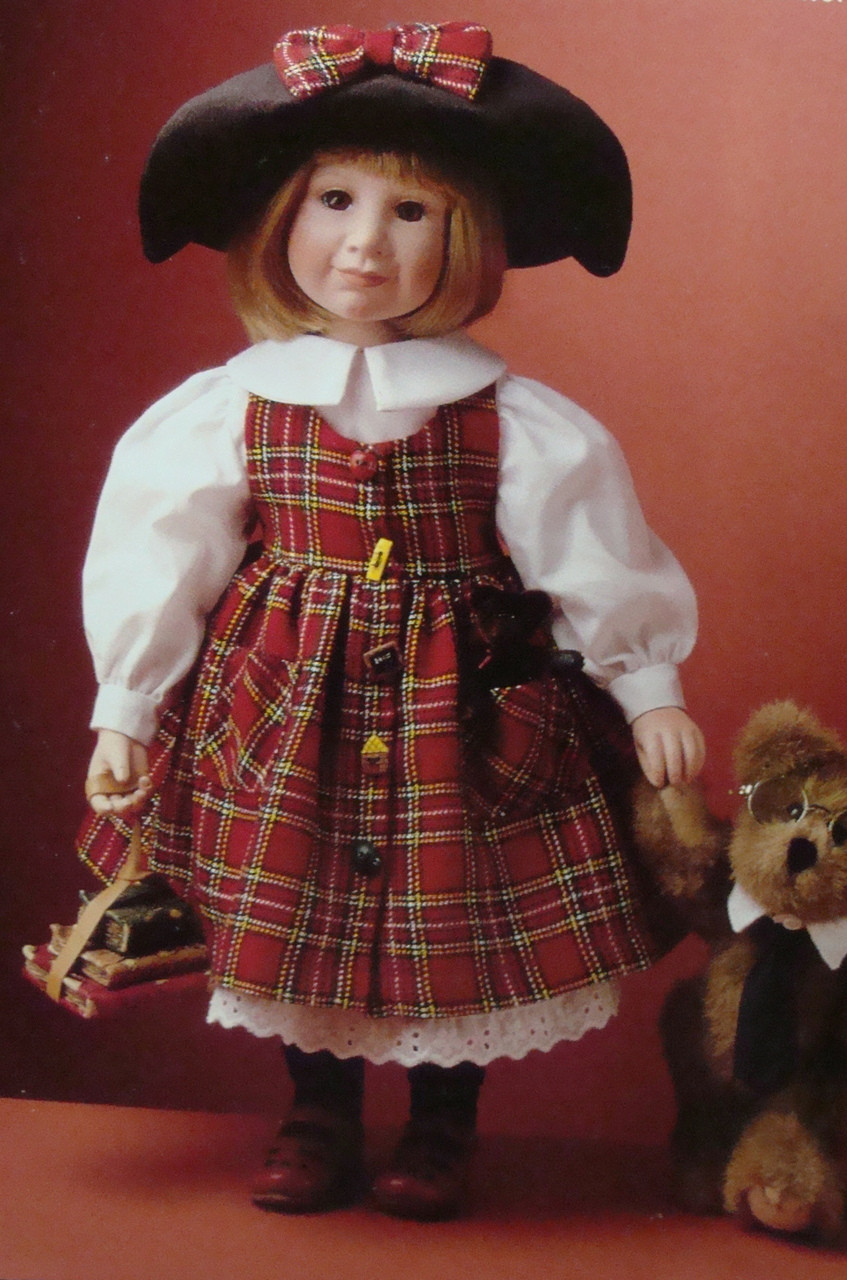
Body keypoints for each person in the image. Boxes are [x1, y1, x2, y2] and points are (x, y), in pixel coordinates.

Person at [78, 21, 705, 1220]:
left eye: (411, 212)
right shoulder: (230, 407)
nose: (364, 243)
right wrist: (128, 701)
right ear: (285, 215)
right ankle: (316, 1110)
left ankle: (440, 1122)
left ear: (467, 237)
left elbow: (593, 554)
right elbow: (163, 552)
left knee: (450, 903)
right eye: (336, 201)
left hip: (462, 700)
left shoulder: (512, 417)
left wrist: (647, 683)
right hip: (281, 697)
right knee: (293, 895)